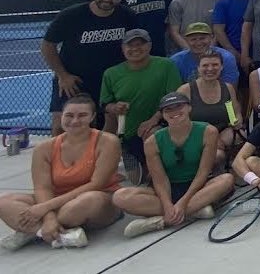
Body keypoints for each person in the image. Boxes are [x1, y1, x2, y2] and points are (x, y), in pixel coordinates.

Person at [0, 96, 122, 250]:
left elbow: (96, 184)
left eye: (82, 115)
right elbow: (42, 188)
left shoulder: (108, 142)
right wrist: (49, 217)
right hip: (56, 201)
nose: (75, 120)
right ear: (62, 116)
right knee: (3, 201)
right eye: (69, 115)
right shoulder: (44, 148)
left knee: (85, 201)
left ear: (92, 117)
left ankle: (30, 230)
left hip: (97, 199)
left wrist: (45, 208)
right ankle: (50, 233)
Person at [112, 92, 235, 238]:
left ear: (189, 108)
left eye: (179, 106)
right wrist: (167, 204)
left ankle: (161, 221)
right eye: (168, 109)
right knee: (120, 196)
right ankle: (195, 211)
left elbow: (203, 172)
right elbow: (160, 179)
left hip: (199, 187)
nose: (174, 112)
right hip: (168, 189)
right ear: (163, 114)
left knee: (227, 179)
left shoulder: (208, 131)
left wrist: (183, 203)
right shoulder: (152, 142)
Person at [40, 0, 135, 135]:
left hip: (109, 81)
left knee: (106, 126)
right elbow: (47, 45)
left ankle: (97, 157)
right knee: (62, 125)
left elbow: (133, 45)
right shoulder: (71, 15)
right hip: (73, 81)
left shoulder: (127, 16)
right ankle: (61, 158)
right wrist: (63, 76)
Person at [100, 29, 183, 179]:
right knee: (137, 179)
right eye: (130, 45)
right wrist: (115, 107)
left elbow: (174, 98)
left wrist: (153, 120)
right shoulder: (111, 73)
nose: (135, 49)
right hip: (129, 132)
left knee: (155, 171)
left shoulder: (166, 65)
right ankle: (128, 151)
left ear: (149, 46)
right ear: (123, 48)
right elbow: (105, 104)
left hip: (160, 127)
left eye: (140, 44)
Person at [175, 51, 244, 166]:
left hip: (222, 132)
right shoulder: (185, 90)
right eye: (205, 65)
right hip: (194, 134)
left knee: (240, 134)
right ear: (198, 68)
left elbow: (235, 113)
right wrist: (211, 139)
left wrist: (237, 121)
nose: (210, 69)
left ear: (221, 67)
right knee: (217, 155)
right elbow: (178, 121)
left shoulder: (228, 88)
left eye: (215, 65)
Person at [169, 22, 240, 85]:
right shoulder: (175, 61)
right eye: (193, 39)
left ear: (211, 38)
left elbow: (230, 93)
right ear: (186, 40)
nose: (198, 43)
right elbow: (175, 92)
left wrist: (228, 100)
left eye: (202, 38)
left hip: (221, 98)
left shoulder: (226, 58)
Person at [212, 0, 254, 66]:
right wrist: (233, 53)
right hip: (233, 54)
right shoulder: (223, 3)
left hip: (258, 52)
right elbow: (218, 30)